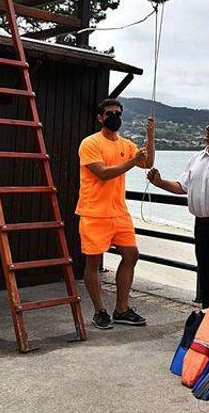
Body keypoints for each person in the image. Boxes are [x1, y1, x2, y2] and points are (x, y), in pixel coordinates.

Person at [146, 111, 209, 307]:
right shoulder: (196, 158)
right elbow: (182, 187)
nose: (207, 128)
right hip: (201, 225)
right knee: (205, 273)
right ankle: (206, 319)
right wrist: (159, 183)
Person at [76, 98, 154, 330]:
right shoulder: (90, 143)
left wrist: (150, 135)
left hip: (119, 213)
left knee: (131, 255)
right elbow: (103, 173)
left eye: (118, 113)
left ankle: (121, 308)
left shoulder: (126, 144)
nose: (115, 117)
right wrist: (132, 161)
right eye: (110, 113)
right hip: (94, 213)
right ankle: (100, 311)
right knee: (93, 262)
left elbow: (147, 162)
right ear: (100, 117)